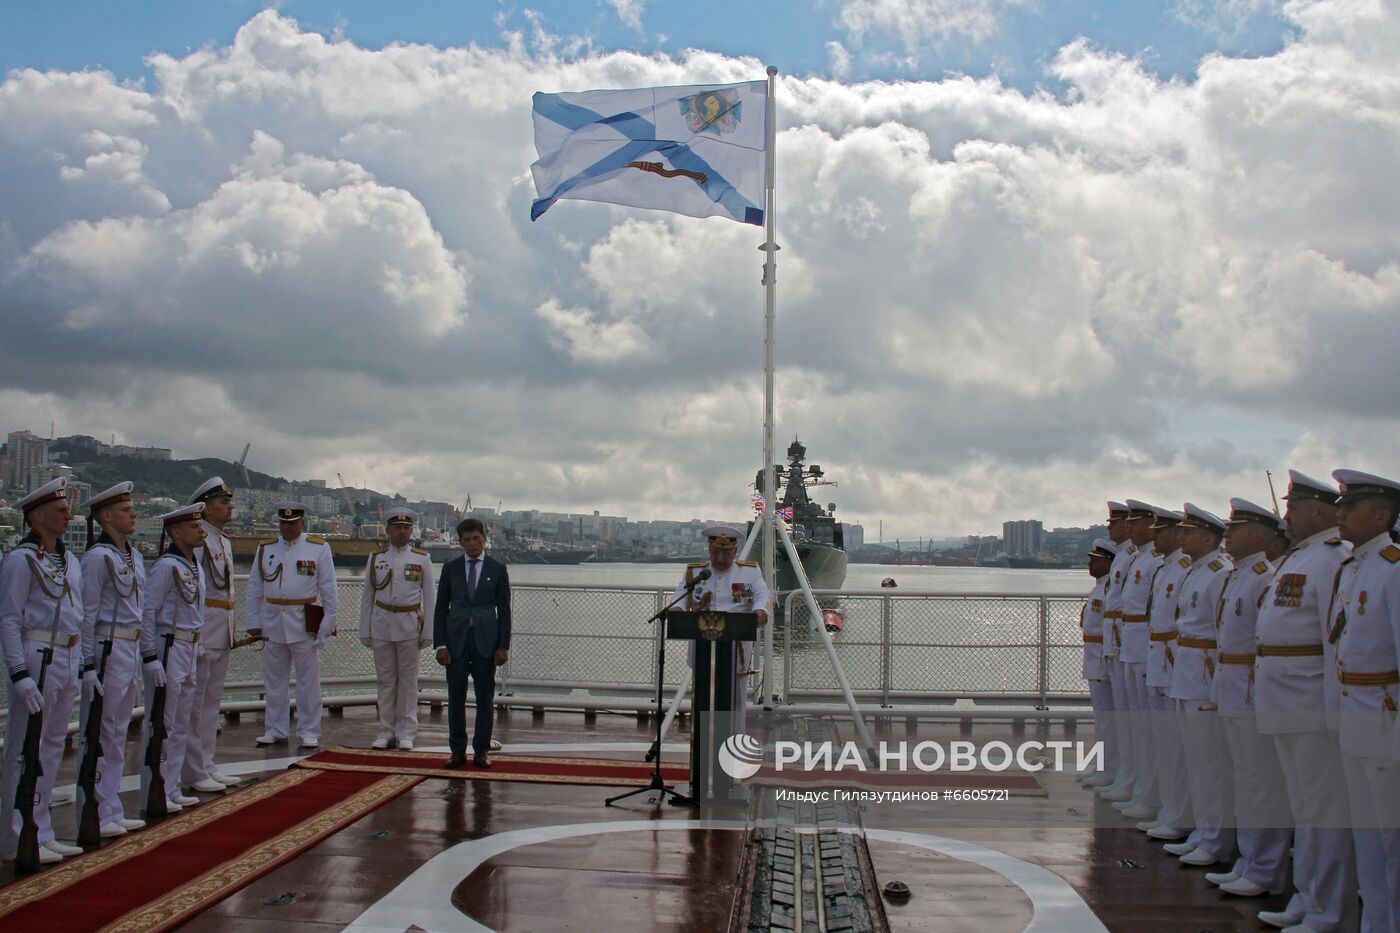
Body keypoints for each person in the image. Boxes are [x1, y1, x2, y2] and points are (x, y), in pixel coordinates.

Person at [1254, 469, 1357, 933]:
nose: (1286, 514)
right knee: (1304, 807)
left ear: (1319, 511)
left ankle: (1328, 910)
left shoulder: (1334, 559)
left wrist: (1334, 711)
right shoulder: (1304, 557)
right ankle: (1308, 896)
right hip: (1284, 696)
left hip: (1311, 700)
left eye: (1293, 507)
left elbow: (1335, 642)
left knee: (1324, 810)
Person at [1207, 498, 1291, 898]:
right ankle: (1249, 860)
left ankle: (1265, 867)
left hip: (1251, 689)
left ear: (1257, 535)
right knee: (1246, 778)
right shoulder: (1238, 575)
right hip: (1232, 685)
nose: (1228, 534)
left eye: (1235, 528)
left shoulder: (1261, 576)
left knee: (1260, 782)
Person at [0, 478, 84, 865]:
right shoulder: (21, 561)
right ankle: (14, 835)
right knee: (22, 749)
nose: (68, 516)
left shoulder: (68, 561)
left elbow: (77, 617)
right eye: (60, 510)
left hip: (66, 655)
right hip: (37, 654)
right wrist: (18, 673)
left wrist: (83, 665)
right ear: (37, 517)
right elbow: (9, 619)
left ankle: (41, 829)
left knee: (51, 746)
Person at [1331, 468, 1400, 932]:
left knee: (1391, 840)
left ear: (1380, 515)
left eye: (1350, 508)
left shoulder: (1393, 570)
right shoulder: (1355, 567)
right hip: (1354, 710)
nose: (1342, 515)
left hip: (1384, 717)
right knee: (1368, 838)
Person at [77, 481, 149, 838]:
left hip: (128, 649)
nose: (133, 514)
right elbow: (87, 614)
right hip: (106, 648)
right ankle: (94, 810)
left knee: (119, 731)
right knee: (101, 731)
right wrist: (87, 664)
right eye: (125, 510)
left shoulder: (132, 556)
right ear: (106, 516)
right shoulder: (96, 558)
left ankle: (111, 806)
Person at [1164, 502, 1234, 869]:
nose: (1181, 536)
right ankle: (1203, 831)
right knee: (1195, 759)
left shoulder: (1220, 573)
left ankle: (1215, 839)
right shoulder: (1196, 572)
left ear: (1208, 537)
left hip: (1204, 675)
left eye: (1188, 532)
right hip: (1187, 671)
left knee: (1210, 763)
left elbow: (1225, 632)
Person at [246, 501, 338, 749]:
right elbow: (255, 586)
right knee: (274, 680)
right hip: (272, 620)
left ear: (302, 522)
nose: (287, 527)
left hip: (303, 620)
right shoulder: (266, 548)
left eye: (292, 523)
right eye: (283, 523)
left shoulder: (318, 548)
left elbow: (328, 589)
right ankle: (275, 729)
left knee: (308, 681)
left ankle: (309, 730)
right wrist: (253, 621)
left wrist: (327, 624)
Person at [669, 524, 772, 730]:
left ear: (734, 551)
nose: (720, 558)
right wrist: (677, 610)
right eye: (715, 552)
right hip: (703, 648)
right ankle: (702, 741)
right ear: (709, 551)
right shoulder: (696, 573)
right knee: (703, 695)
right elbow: (680, 597)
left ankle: (735, 741)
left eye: (725, 553)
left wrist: (760, 611)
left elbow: (762, 596)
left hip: (736, 647)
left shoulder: (749, 572)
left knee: (736, 699)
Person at [139, 503, 207, 813]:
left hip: (189, 647)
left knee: (181, 721)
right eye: (193, 526)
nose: (200, 530)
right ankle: (154, 789)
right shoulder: (166, 566)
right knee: (163, 721)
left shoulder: (192, 564)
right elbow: (149, 611)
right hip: (169, 645)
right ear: (176, 532)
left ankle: (170, 785)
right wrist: (150, 655)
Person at [433, 517, 510, 769]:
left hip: (486, 643)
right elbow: (441, 609)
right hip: (455, 643)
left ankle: (481, 750)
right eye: (467, 540)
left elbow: (504, 610)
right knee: (455, 699)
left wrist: (503, 646)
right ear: (460, 542)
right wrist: (440, 644)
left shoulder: (497, 569)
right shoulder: (450, 569)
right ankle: (457, 751)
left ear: (484, 538)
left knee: (485, 699)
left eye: (476, 538)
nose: (472, 544)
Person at [182, 477, 243, 792]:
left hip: (222, 628)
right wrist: (197, 636)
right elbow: (193, 593)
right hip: (205, 629)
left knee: (211, 702)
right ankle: (193, 769)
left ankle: (206, 762)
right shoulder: (200, 541)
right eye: (223, 502)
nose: (230, 506)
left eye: (229, 501)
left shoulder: (223, 541)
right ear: (205, 508)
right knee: (196, 703)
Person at [1140, 508, 1196, 841]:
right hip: (1160, 658)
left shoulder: (1190, 570)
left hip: (1180, 664)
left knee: (1180, 748)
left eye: (1161, 531)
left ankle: (1180, 815)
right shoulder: (1167, 569)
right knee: (1163, 740)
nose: (1153, 536)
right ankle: (1169, 808)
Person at [360, 507, 435, 751]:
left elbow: (430, 598)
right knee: (385, 681)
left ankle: (406, 732)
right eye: (396, 527)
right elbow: (367, 597)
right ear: (388, 530)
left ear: (411, 530)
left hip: (409, 624)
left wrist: (429, 633)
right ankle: (385, 730)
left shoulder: (422, 559)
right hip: (382, 624)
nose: (401, 531)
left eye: (405, 527)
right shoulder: (375, 559)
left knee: (408, 682)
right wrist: (365, 630)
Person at [1113, 500, 1166, 821]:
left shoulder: (1153, 561)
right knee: (1132, 721)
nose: (1128, 528)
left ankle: (1149, 793)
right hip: (1129, 644)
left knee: (1150, 728)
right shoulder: (1135, 558)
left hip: (1149, 648)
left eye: (1135, 523)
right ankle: (1135, 783)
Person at [1096, 500, 1137, 799]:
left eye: (1115, 523)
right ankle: (1126, 779)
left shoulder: (1134, 559)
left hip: (1140, 651)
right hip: (1123, 648)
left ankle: (1137, 786)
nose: (1111, 527)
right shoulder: (1125, 559)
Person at [1078, 537, 1116, 786]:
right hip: (1094, 656)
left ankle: (1108, 769)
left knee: (1108, 719)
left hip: (1103, 658)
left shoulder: (1109, 590)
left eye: (1096, 560)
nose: (1090, 564)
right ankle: (1103, 766)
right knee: (1102, 718)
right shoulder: (1100, 588)